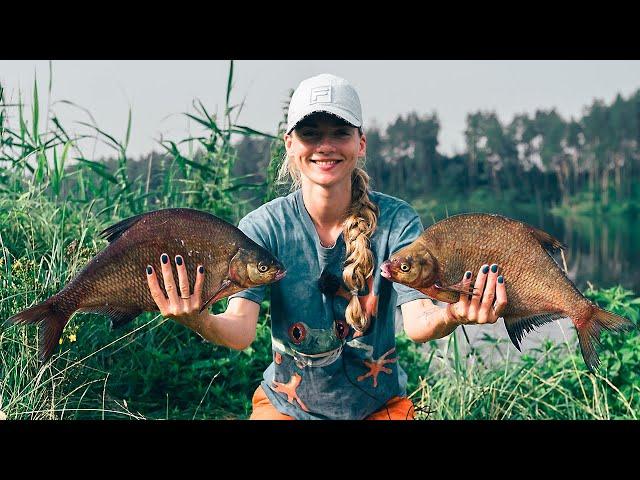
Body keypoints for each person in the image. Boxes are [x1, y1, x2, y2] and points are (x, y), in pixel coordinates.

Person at [145, 73, 508, 420]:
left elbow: (418, 323)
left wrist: (452, 314)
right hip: (287, 407)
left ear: (360, 143)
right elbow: (240, 332)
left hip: (379, 407)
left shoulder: (398, 220)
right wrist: (198, 317)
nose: (325, 146)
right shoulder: (262, 227)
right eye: (310, 133)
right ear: (290, 144)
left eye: (340, 133)